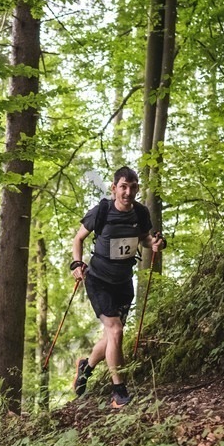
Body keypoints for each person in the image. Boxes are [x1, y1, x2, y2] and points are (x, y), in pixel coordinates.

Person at [70, 166, 165, 408]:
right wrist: (76, 263)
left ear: (137, 189)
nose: (128, 192)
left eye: (133, 187)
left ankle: (86, 366)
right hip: (99, 280)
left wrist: (153, 244)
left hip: (124, 283)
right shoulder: (102, 210)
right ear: (114, 188)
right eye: (123, 186)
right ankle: (118, 391)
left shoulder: (141, 213)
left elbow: (143, 239)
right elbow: (78, 238)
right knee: (116, 332)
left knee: (112, 335)